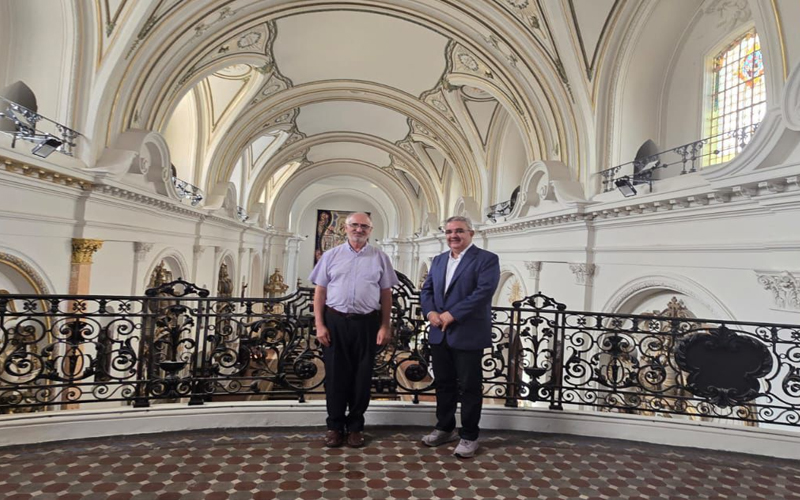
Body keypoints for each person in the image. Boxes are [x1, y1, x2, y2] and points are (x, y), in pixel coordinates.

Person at [309, 212, 399, 448]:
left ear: (370, 230)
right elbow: (320, 292)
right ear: (345, 228)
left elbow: (386, 294)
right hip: (335, 322)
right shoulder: (330, 256)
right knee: (335, 377)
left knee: (362, 377)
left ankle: (356, 427)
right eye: (354, 225)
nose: (359, 230)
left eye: (364, 226)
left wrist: (385, 325)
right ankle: (335, 426)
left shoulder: (380, 257)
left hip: (367, 324)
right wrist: (319, 324)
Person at [419, 215, 500, 458]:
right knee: (443, 384)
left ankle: (469, 436)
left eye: (459, 231)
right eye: (449, 231)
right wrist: (431, 312)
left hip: (467, 332)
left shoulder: (486, 259)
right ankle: (445, 428)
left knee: (469, 387)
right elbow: (427, 290)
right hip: (439, 332)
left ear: (470, 233)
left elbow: (483, 292)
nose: (453, 235)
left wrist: (452, 314)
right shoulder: (438, 260)